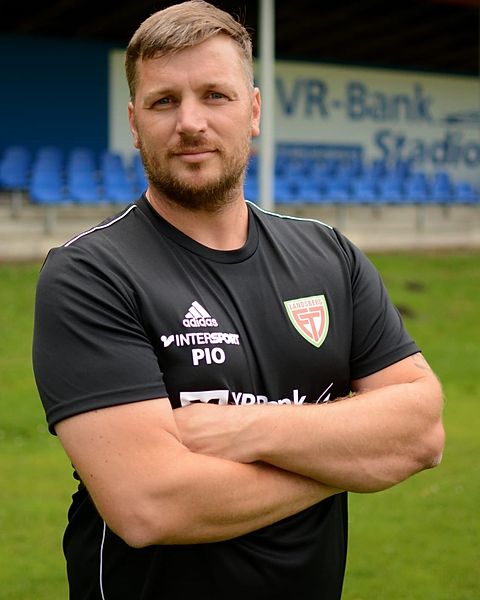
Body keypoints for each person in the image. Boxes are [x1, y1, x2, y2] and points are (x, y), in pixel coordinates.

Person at [32, 2, 445, 599]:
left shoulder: (329, 255)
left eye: (214, 96)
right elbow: (149, 504)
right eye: (164, 101)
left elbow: (422, 432)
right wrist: (350, 460)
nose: (190, 122)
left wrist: (244, 428)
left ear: (252, 111)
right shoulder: (91, 274)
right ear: (134, 122)